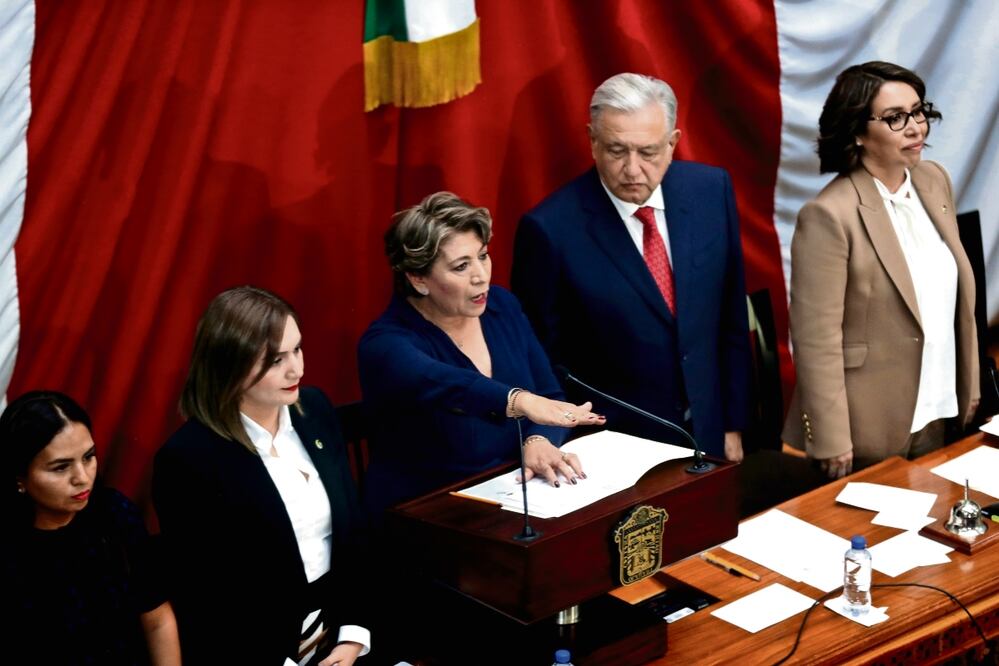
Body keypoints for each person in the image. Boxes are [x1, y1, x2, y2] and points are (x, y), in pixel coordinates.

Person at [512, 72, 751, 461]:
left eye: (648, 152)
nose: (633, 169)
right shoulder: (549, 230)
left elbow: (730, 319)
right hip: (613, 447)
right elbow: (540, 359)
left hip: (709, 432)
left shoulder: (711, 190)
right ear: (592, 141)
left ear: (673, 143)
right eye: (616, 151)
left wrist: (732, 423)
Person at [153, 286, 369, 665]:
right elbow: (206, 597)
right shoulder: (188, 460)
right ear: (229, 366)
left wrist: (351, 639)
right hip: (255, 650)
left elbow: (352, 537)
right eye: (274, 360)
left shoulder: (314, 409)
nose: (296, 369)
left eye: (297, 349)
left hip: (340, 639)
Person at [783, 61, 979, 478]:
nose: (916, 128)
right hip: (868, 429)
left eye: (918, 110)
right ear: (857, 131)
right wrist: (832, 438)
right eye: (895, 118)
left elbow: (951, 297)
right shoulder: (828, 215)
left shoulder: (933, 179)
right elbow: (816, 340)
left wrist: (970, 382)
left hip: (940, 406)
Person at [358, 191, 604, 517]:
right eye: (461, 266)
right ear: (418, 279)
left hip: (517, 501)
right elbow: (452, 384)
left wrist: (538, 443)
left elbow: (548, 394)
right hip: (429, 519)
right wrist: (521, 401)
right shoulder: (385, 345)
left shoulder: (502, 306)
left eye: (483, 256)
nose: (481, 276)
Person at [1, 390, 180, 665]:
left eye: (88, 457)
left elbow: (156, 618)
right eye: (60, 468)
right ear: (19, 477)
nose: (82, 478)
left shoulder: (115, 515)